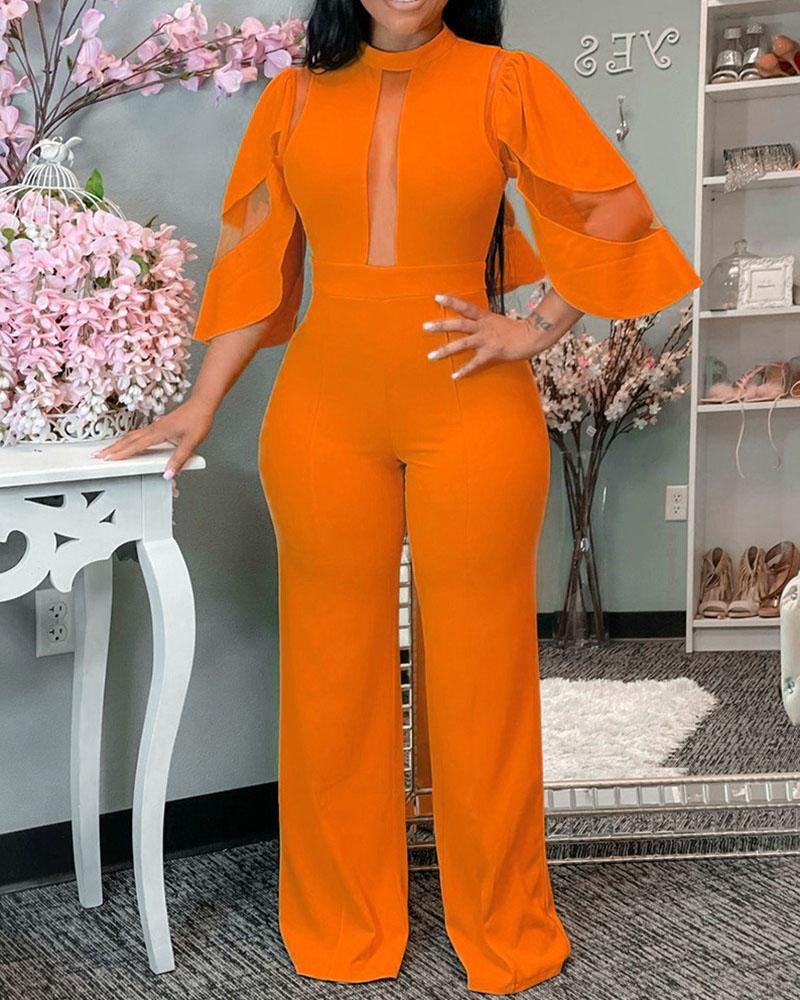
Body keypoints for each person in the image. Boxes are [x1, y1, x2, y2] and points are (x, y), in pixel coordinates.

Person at [95, 0, 701, 992]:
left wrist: (538, 326)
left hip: (475, 411)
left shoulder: (506, 83)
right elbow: (257, 263)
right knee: (331, 680)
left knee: (483, 679)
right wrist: (202, 401)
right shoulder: (292, 100)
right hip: (323, 417)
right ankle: (343, 920)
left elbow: (613, 213)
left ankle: (501, 923)